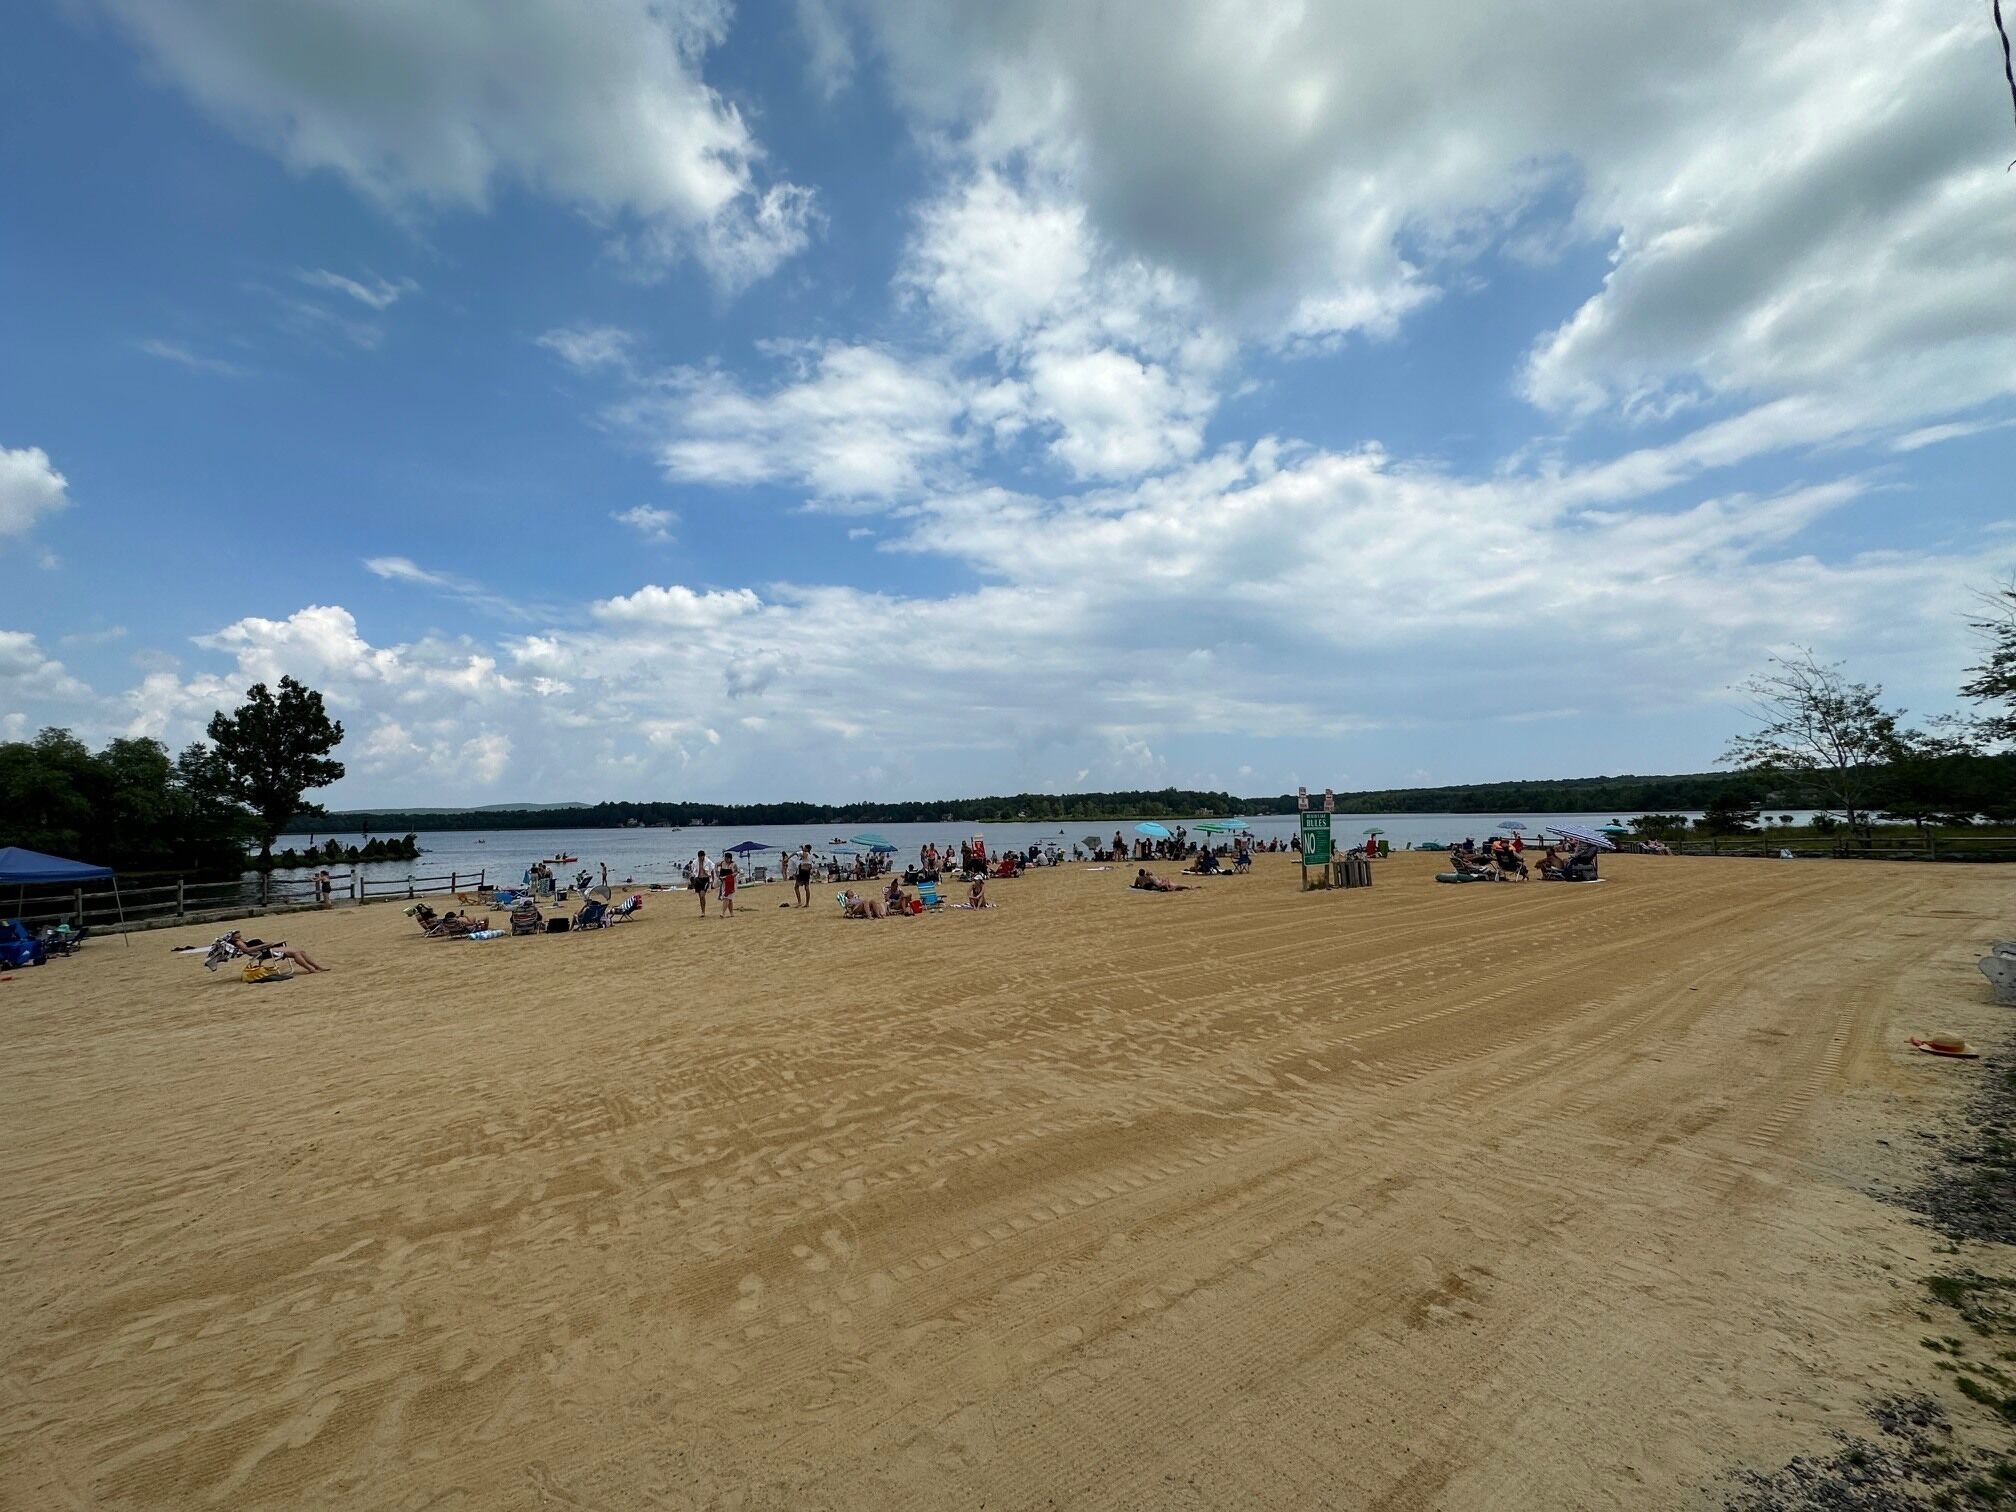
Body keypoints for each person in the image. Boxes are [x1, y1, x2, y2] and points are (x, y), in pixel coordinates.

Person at [223, 929, 327, 972]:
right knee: (296, 953)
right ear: (233, 937)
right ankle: (311, 969)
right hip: (265, 951)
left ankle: (317, 966)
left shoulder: (241, 940)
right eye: (236, 933)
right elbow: (248, 950)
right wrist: (264, 945)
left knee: (301, 951)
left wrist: (267, 944)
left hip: (267, 948)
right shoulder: (238, 943)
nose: (238, 933)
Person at [687, 850, 713, 916]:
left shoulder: (708, 862)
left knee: (702, 895)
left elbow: (713, 869)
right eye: (700, 857)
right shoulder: (695, 862)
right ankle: (702, 911)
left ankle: (703, 912)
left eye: (702, 857)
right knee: (700, 897)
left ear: (704, 856)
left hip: (705, 879)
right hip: (698, 879)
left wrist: (712, 880)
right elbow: (693, 871)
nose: (701, 858)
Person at [718, 851, 737, 917]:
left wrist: (728, 877)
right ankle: (731, 913)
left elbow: (736, 872)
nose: (726, 860)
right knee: (729, 899)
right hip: (724, 883)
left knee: (727, 897)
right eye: (725, 858)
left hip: (731, 883)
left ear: (730, 859)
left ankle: (723, 913)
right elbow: (716, 865)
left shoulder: (733, 864)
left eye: (727, 858)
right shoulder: (722, 863)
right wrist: (718, 875)